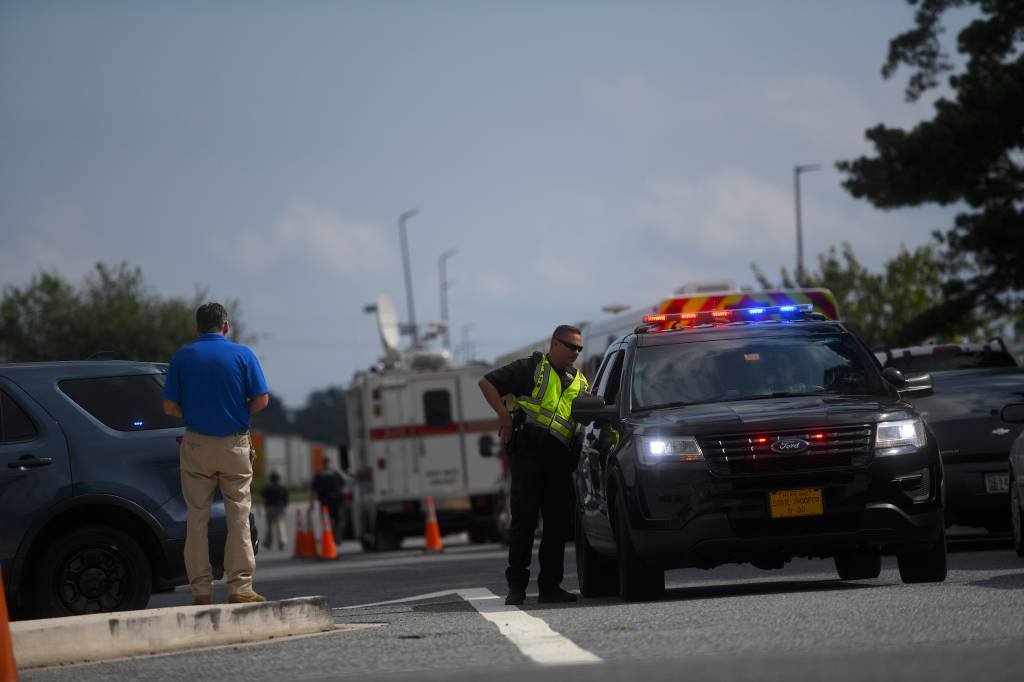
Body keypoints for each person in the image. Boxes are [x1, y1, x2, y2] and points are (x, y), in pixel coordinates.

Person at [163, 302, 270, 605]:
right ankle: (240, 587)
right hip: (234, 443)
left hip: (196, 443)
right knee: (238, 512)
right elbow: (261, 400)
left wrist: (193, 414)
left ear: (197, 328)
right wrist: (240, 414)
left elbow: (169, 406)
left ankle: (200, 589)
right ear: (225, 326)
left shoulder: (182, 357)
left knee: (197, 516)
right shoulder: (243, 355)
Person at [478, 324, 589, 606]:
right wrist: (503, 414)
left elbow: (581, 422)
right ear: (554, 344)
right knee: (524, 524)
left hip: (560, 461)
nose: (575, 353)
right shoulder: (532, 369)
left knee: (556, 527)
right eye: (570, 346)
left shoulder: (580, 383)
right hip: (529, 455)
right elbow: (487, 382)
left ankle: (550, 587)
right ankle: (517, 588)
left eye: (579, 348)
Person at [311, 456, 346, 545]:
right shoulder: (335, 473)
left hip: (325, 501)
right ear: (330, 463)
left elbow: (313, 490)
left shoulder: (319, 475)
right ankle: (337, 537)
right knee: (338, 519)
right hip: (336, 500)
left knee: (328, 520)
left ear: (323, 464)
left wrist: (311, 503)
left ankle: (333, 536)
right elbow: (343, 486)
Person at [260, 471, 289, 551]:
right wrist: (285, 506)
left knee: (270, 526)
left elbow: (263, 498)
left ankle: (268, 542)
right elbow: (286, 499)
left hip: (270, 508)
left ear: (271, 479)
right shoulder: (282, 487)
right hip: (280, 507)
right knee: (280, 524)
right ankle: (282, 540)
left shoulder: (268, 488)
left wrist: (260, 508)